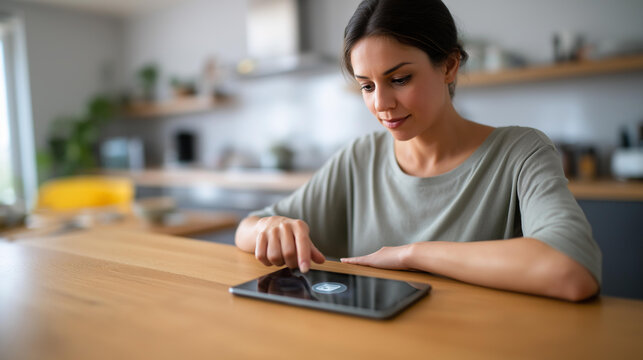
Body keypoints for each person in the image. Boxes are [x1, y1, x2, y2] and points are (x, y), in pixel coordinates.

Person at [235, 0, 601, 301]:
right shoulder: (359, 158)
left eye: (399, 79)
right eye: (366, 86)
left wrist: (411, 253)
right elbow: (246, 230)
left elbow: (571, 270)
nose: (381, 103)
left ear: (450, 65)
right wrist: (271, 226)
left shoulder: (520, 152)